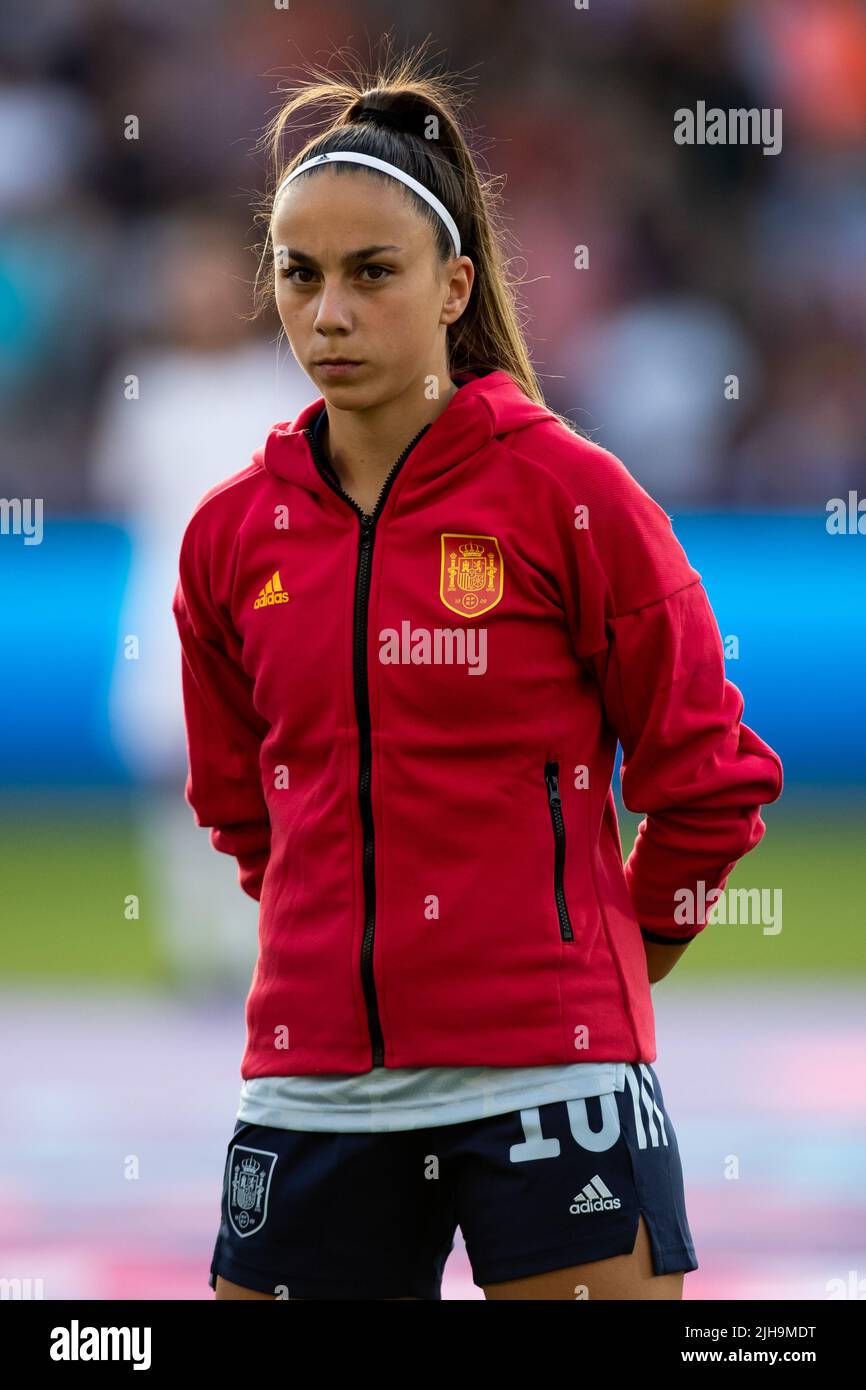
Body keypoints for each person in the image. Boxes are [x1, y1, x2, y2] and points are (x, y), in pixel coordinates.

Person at [172, 53, 783, 1301]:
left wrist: (606, 955)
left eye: (370, 273)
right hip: (311, 1084)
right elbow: (246, 811)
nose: (328, 313)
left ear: (453, 286)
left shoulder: (573, 497)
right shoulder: (230, 536)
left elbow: (709, 780)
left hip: (552, 1083)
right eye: (299, 275)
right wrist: (345, 941)